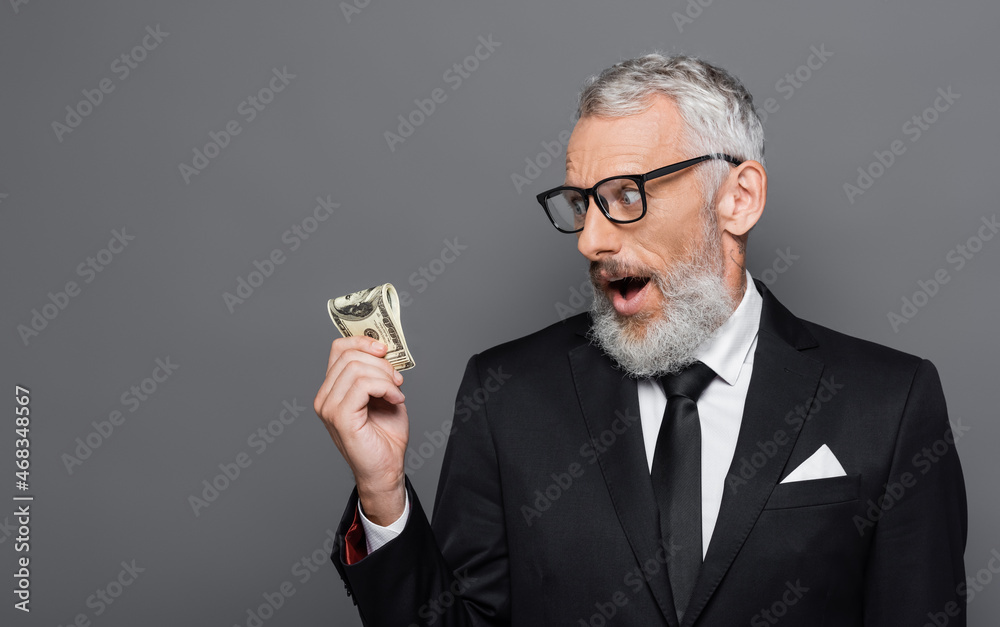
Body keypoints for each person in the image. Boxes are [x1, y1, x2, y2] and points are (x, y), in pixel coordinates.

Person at [314, 54, 967, 626]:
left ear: (738, 197)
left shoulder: (890, 401)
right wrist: (382, 492)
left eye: (626, 195)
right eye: (581, 203)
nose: (593, 240)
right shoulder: (507, 395)